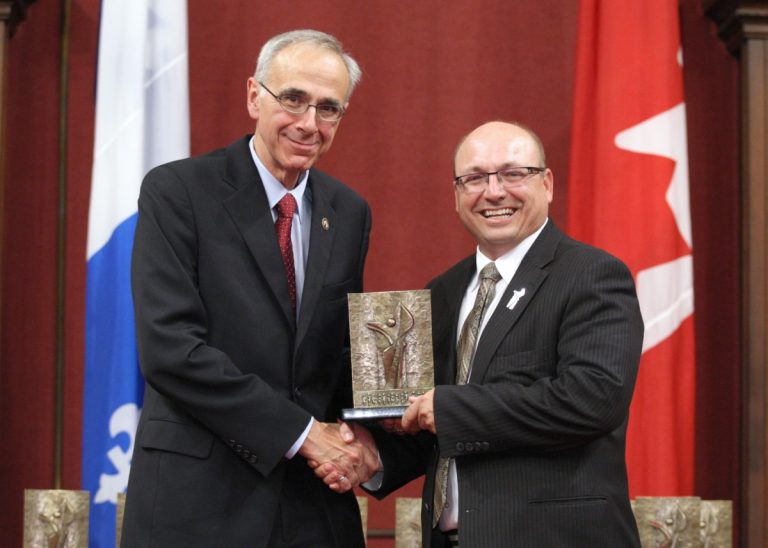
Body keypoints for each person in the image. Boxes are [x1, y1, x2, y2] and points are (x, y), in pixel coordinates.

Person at [318, 121, 644, 547]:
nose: (493, 192)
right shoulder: (443, 292)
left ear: (547, 183)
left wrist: (448, 409)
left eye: (513, 174)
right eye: (474, 178)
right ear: (456, 195)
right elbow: (440, 429)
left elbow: (593, 399)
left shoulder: (592, 275)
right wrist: (374, 457)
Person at [121, 29, 377, 548]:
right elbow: (170, 349)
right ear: (254, 96)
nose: (309, 123)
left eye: (328, 108)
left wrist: (371, 437)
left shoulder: (349, 212)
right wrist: (306, 436)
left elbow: (340, 354)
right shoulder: (178, 192)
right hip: (198, 503)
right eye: (293, 99)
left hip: (312, 510)